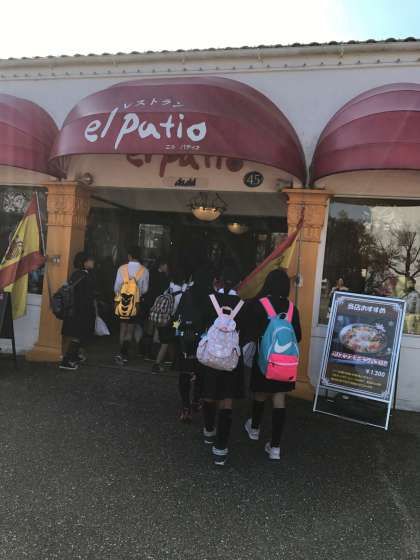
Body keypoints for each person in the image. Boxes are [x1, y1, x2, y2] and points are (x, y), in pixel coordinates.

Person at [244, 269, 301, 461]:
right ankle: (275, 447)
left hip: (264, 359)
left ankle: (254, 428)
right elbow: (298, 336)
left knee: (260, 394)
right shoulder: (292, 308)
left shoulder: (260, 304)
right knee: (279, 398)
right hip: (285, 363)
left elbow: (251, 331)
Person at [198, 265, 246, 466]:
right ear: (239, 283)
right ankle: (220, 449)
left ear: (218, 281)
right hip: (231, 360)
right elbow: (246, 333)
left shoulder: (209, 300)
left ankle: (209, 430)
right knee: (227, 401)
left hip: (210, 357)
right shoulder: (243, 305)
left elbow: (201, 323)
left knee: (209, 394)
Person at [174, 264, 214, 422]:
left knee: (184, 373)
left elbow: (177, 316)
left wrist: (177, 332)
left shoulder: (187, 294)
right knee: (201, 373)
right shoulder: (212, 296)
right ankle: (197, 400)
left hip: (185, 338)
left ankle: (185, 407)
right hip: (203, 340)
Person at [113, 246, 149, 365]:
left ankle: (120, 353)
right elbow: (145, 289)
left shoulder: (122, 268)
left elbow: (116, 288)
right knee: (130, 330)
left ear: (129, 256)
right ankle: (124, 354)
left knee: (123, 328)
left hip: (122, 302)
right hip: (136, 304)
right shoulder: (144, 270)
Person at [60, 252, 96, 370]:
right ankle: (67, 361)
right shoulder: (86, 276)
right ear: (85, 262)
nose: (93, 262)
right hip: (81, 311)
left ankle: (72, 357)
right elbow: (89, 296)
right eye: (90, 260)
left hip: (71, 309)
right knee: (77, 335)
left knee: (73, 334)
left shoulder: (75, 274)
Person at [152, 268, 186, 373]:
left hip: (162, 318)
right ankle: (157, 365)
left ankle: (172, 361)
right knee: (168, 341)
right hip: (173, 321)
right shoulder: (181, 293)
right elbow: (178, 309)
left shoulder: (168, 289)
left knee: (170, 339)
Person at [140, 258, 170, 360]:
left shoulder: (151, 273)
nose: (167, 267)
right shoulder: (163, 277)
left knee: (150, 328)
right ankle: (150, 352)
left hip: (150, 303)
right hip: (156, 305)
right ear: (162, 265)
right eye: (166, 265)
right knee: (154, 329)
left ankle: (145, 351)